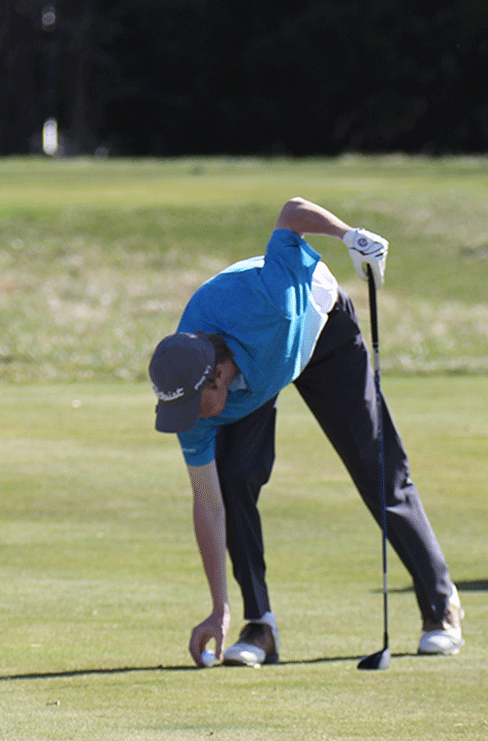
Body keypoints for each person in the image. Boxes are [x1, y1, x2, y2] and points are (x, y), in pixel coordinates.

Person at [148, 197, 464, 667]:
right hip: (259, 369)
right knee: (232, 477)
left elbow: (291, 213)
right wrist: (218, 609)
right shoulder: (187, 393)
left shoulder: (273, 304)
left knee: (377, 466)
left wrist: (349, 236)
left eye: (195, 406)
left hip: (321, 332)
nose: (189, 419)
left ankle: (442, 606)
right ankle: (259, 625)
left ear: (218, 375)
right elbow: (207, 504)